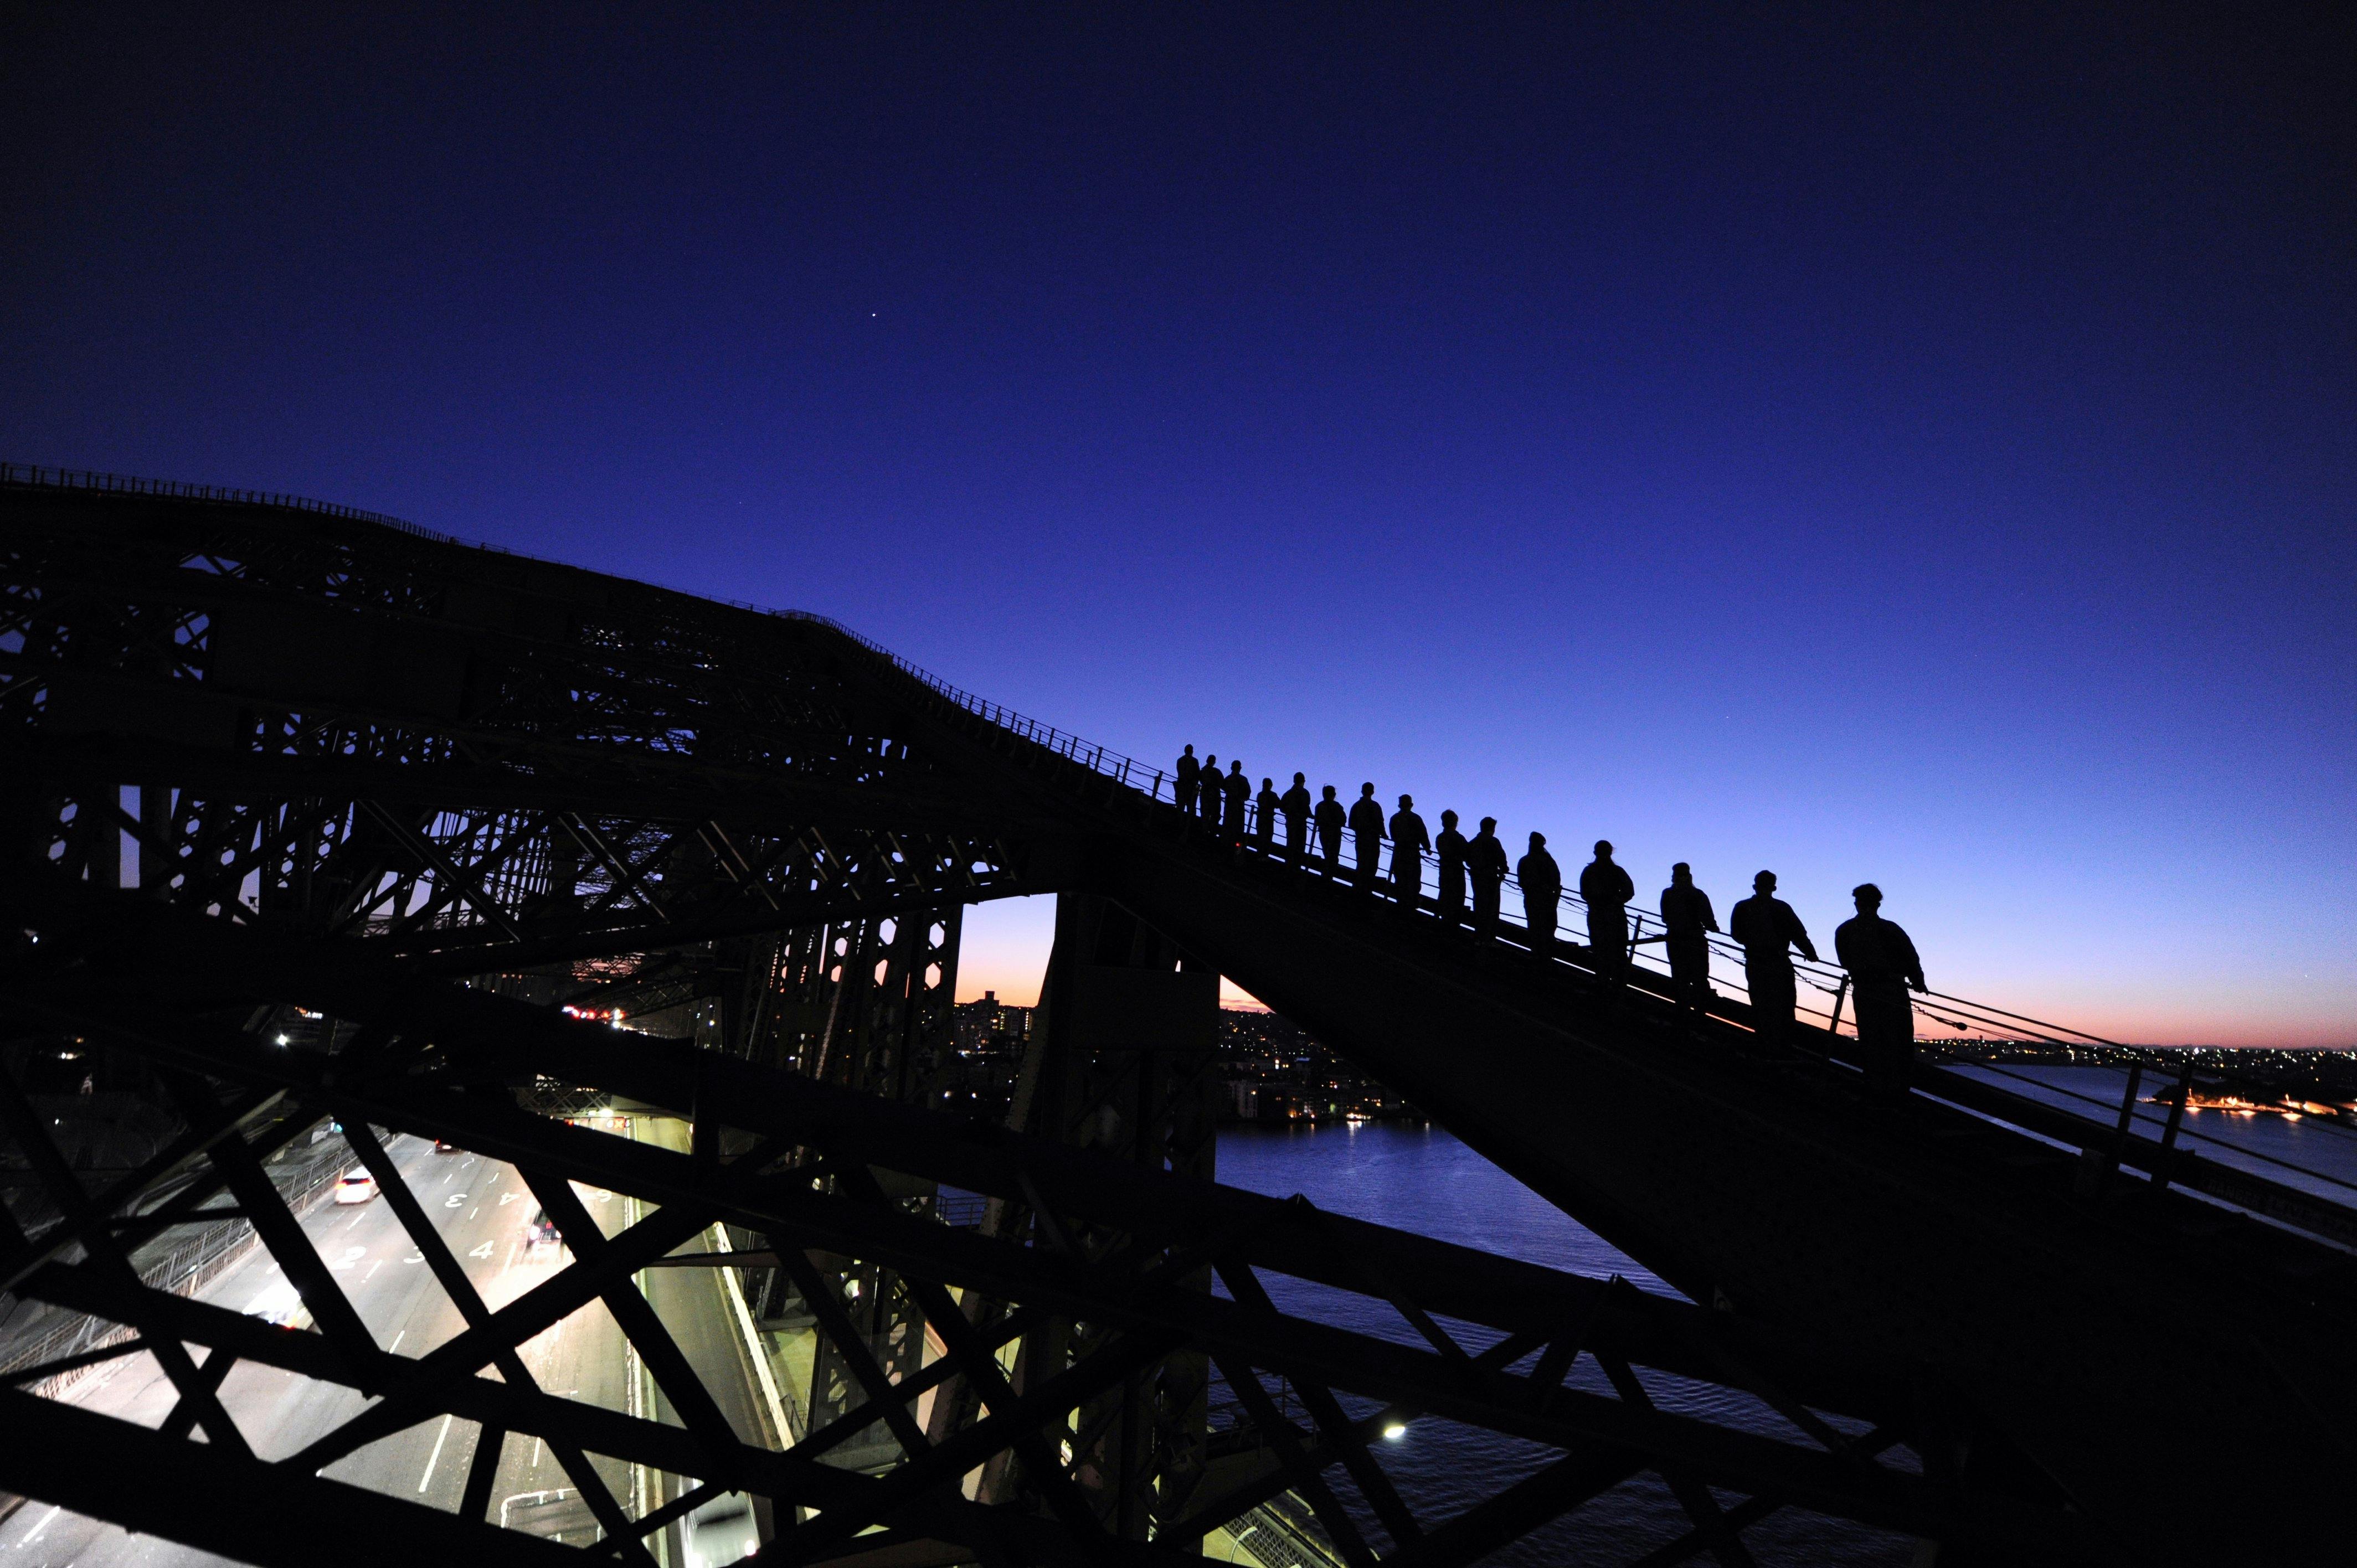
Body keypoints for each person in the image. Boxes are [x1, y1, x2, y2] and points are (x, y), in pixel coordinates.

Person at [1835, 884, 1926, 1100]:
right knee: (1900, 1039)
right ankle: (1898, 1089)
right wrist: (1918, 982)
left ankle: (1875, 1085)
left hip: (1865, 990)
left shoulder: (1845, 930)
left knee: (1870, 1037)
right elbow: (1911, 959)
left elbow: (1844, 961)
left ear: (1857, 904)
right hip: (1893, 991)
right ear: (1878, 904)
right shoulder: (1891, 929)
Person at [1728, 871, 1817, 1044]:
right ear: (1774, 887)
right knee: (1785, 1004)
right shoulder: (1782, 908)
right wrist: (1810, 953)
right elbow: (1798, 934)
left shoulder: (1742, 907)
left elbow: (1736, 935)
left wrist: (1752, 943)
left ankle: (1764, 1039)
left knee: (1760, 1002)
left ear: (1755, 886)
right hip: (1779, 962)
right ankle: (1785, 1043)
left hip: (1755, 961)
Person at [1658, 863, 1719, 1008]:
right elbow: (1708, 919)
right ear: (1689, 876)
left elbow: (1665, 918)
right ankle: (1700, 1011)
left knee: (1680, 976)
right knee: (1700, 977)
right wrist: (1714, 927)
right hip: (1695, 940)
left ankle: (1682, 1009)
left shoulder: (1667, 894)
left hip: (1674, 938)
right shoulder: (1698, 895)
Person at [1579, 840, 1635, 976]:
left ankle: (1605, 982)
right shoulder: (1616, 871)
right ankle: (1616, 983)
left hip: (1601, 914)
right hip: (1612, 914)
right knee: (1617, 950)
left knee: (1602, 949)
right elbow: (1629, 891)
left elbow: (1584, 893)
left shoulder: (1590, 871)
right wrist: (1617, 900)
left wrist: (1601, 901)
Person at [1517, 832, 1562, 949]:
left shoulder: (1524, 861)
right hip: (1547, 899)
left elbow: (1521, 882)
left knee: (1534, 925)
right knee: (1548, 926)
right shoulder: (1549, 862)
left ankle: (1536, 952)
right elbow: (1557, 880)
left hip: (1531, 898)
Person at [1468, 817, 1507, 935]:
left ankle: (1479, 935)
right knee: (1492, 908)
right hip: (1490, 879)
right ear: (1492, 828)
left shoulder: (1473, 842)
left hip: (1476, 877)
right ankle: (1489, 937)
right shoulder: (1494, 842)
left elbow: (1468, 859)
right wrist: (1504, 868)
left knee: (1479, 905)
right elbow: (1501, 858)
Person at [1389, 795, 1430, 905]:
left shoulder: (1394, 818)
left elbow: (1393, 835)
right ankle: (1412, 901)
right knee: (1414, 878)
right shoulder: (1416, 818)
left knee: (1400, 878)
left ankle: (1401, 901)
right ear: (1411, 805)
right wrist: (1427, 848)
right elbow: (1423, 835)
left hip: (1399, 853)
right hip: (1412, 854)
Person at [1348, 783, 1386, 889]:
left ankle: (1359, 887)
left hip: (1361, 838)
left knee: (1361, 863)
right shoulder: (1376, 806)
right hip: (1373, 840)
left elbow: (1351, 824)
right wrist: (1384, 834)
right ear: (1373, 792)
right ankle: (1367, 888)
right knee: (1372, 864)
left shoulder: (1357, 806)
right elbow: (1380, 822)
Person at [1434, 810, 1469, 924]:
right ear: (1455, 822)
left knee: (1445, 894)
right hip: (1457, 871)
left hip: (1444, 870)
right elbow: (1467, 855)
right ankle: (1453, 924)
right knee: (1457, 897)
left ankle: (1442, 920)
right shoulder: (1458, 838)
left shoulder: (1440, 838)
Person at [1313, 785, 1346, 876]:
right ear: (1334, 794)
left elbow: (1317, 820)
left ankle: (1326, 874)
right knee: (1334, 855)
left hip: (1324, 833)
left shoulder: (1319, 806)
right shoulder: (1338, 807)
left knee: (1327, 853)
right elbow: (1343, 821)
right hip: (1335, 834)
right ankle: (1330, 875)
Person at [1280, 773, 1313, 862]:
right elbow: (1307, 807)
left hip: (1291, 822)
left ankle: (1289, 863)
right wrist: (1312, 816)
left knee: (1291, 842)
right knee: (1300, 844)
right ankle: (1297, 865)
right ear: (1303, 781)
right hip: (1301, 823)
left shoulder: (1288, 794)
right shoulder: (1305, 793)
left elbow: (1282, 807)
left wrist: (1290, 812)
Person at [1222, 761, 1250, 846]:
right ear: (1240, 768)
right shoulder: (1243, 779)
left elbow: (1223, 787)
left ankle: (1226, 843)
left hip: (1229, 804)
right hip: (1239, 805)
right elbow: (1248, 793)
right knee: (1239, 825)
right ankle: (1237, 846)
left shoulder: (1228, 779)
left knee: (1228, 823)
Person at [1254, 777, 1280, 853]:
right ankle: (1265, 855)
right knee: (1268, 836)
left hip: (1260, 817)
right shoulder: (1273, 795)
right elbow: (1279, 805)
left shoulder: (1260, 795)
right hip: (1268, 818)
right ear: (1270, 785)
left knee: (1260, 835)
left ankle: (1259, 853)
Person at [1198, 754, 1222, 833]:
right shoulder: (1217, 772)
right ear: (1214, 762)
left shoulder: (1203, 771)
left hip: (1205, 793)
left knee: (1205, 813)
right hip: (1214, 795)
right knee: (1215, 814)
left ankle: (1205, 830)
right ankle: (1211, 831)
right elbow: (1222, 784)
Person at [1175, 745, 1200, 817]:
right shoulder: (1194, 761)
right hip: (1188, 786)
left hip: (1185, 785)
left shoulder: (1180, 760)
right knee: (1188, 805)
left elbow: (1179, 772)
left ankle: (1183, 820)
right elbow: (1197, 773)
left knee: (1185, 805)